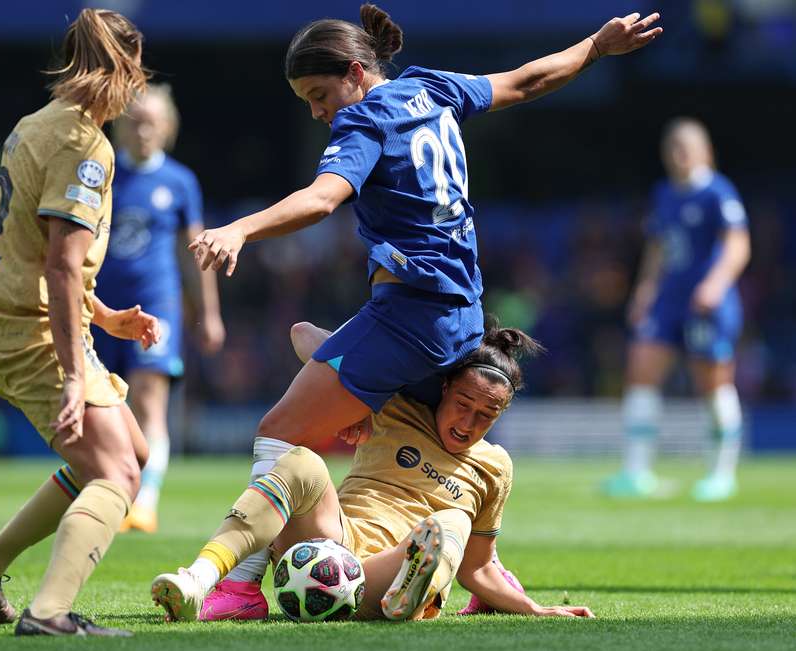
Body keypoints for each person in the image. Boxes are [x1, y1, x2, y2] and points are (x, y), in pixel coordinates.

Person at [188, 3, 662, 619]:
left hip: (409, 315)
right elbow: (525, 81)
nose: (318, 109)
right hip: (463, 313)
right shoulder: (431, 88)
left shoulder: (362, 123)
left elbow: (322, 199)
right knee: (312, 341)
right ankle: (480, 572)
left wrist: (242, 230)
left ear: (357, 73)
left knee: (279, 432)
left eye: (320, 93)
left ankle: (242, 587)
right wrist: (597, 45)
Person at [0, 9, 157, 637]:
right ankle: (48, 613)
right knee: (116, 473)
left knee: (133, 454)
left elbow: (41, 254)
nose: (137, 88)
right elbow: (62, 264)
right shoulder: (85, 145)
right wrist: (72, 376)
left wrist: (106, 316)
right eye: (135, 73)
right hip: (28, 333)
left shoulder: (35, 126)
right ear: (120, 68)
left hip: (20, 317)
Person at [151, 318, 594, 621]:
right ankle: (200, 578)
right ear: (444, 388)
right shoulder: (397, 404)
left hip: (386, 570)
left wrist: (533, 608)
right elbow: (302, 335)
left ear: (501, 415)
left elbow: (477, 569)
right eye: (463, 405)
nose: (468, 423)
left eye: (486, 415)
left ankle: (411, 594)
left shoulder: (496, 466)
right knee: (301, 460)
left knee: (452, 521)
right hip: (329, 542)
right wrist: (362, 383)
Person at [93, 83, 226, 534]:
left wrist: (209, 313)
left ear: (167, 127)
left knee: (150, 397)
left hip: (158, 304)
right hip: (101, 307)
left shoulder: (180, 181)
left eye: (152, 121)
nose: (143, 130)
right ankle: (111, 489)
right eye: (134, 121)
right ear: (118, 124)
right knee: (103, 402)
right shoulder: (102, 175)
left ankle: (145, 501)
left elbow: (197, 253)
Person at [603, 118, 751, 502]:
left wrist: (716, 285)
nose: (678, 154)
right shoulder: (665, 193)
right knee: (640, 374)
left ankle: (721, 474)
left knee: (713, 385)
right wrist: (644, 291)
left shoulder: (718, 192)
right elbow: (659, 248)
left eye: (686, 147)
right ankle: (636, 472)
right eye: (672, 147)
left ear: (706, 151)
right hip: (667, 301)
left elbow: (738, 245)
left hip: (706, 304)